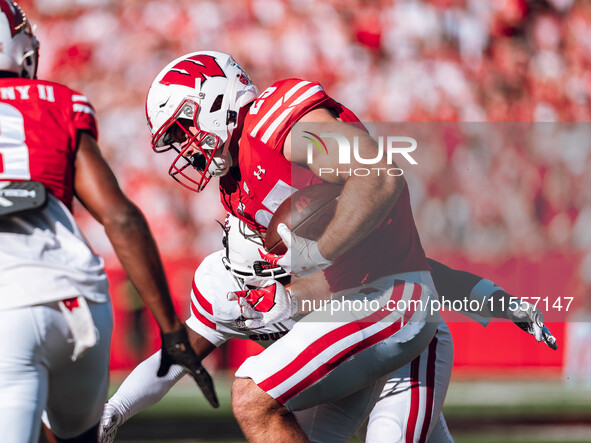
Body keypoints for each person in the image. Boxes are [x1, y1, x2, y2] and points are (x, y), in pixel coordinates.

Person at [144, 50, 558, 442]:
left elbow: (378, 180)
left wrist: (315, 253)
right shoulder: (245, 193)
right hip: (371, 325)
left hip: (403, 328)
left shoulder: (277, 129)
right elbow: (379, 262)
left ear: (216, 98)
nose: (186, 149)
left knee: (258, 398)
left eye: (183, 129)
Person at [98, 214, 556, 443]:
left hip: (405, 350)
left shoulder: (330, 256)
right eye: (263, 275)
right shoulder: (223, 285)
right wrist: (114, 409)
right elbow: (176, 359)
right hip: (340, 377)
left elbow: (427, 272)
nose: (280, 282)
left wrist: (505, 304)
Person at [0, 3, 215, 442]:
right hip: (80, 300)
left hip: (8, 306)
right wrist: (172, 330)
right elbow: (121, 217)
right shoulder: (59, 102)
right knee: (76, 435)